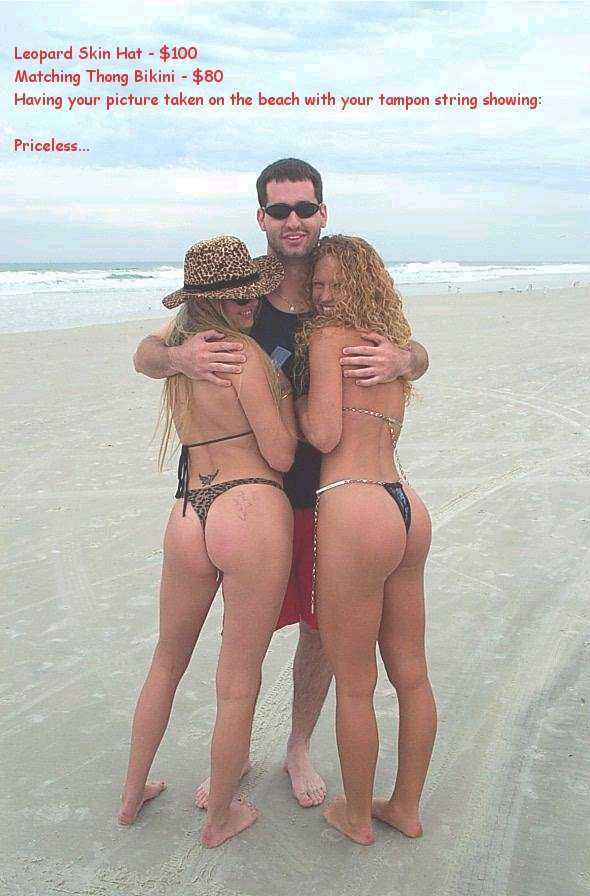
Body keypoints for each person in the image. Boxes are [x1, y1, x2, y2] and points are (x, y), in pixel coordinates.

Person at [133, 159, 429, 808]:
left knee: (321, 635)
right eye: (279, 209)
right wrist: (180, 356)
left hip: (328, 496)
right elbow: (146, 354)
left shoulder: (339, 282)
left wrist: (406, 357)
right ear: (261, 218)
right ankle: (232, 755)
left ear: (322, 212)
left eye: (304, 208)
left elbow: (414, 348)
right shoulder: (239, 292)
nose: (293, 220)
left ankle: (298, 746)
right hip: (253, 502)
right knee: (246, 634)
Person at [118, 236, 297, 849]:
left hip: (189, 510)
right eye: (236, 294)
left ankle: (131, 794)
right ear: (212, 299)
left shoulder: (183, 352)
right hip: (249, 504)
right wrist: (287, 398)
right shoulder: (243, 356)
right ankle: (220, 816)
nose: (250, 302)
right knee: (237, 678)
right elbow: (280, 453)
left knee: (166, 661)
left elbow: (145, 355)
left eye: (251, 291)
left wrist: (173, 357)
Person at [294, 235, 436, 846]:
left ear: (360, 284)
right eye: (317, 285)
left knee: (355, 683)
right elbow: (415, 363)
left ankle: (355, 815)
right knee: (413, 674)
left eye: (335, 284)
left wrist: (293, 399)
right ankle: (404, 806)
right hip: (403, 503)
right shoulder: (392, 344)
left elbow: (325, 434)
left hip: (353, 503)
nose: (324, 296)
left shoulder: (328, 339)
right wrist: (410, 357)